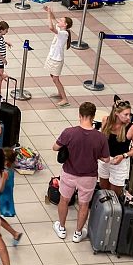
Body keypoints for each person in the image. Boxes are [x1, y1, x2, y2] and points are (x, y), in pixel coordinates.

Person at [52, 102, 110, 242]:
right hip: (89, 176)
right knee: (84, 204)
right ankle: (78, 233)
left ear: (79, 115)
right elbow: (106, 159)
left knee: (64, 200)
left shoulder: (69, 132)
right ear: (93, 116)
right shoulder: (101, 137)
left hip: (69, 173)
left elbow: (55, 147)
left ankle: (62, 228)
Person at [98, 99, 133, 194]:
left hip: (120, 162)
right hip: (105, 159)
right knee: (103, 188)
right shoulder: (106, 120)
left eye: (129, 114)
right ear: (116, 113)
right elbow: (102, 139)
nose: (128, 117)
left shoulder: (132, 128)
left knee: (115, 193)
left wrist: (124, 155)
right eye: (125, 114)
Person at [43, 6, 73, 107]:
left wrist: (48, 15)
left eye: (61, 21)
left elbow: (51, 27)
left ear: (65, 25)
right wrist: (49, 11)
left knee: (56, 79)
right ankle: (60, 93)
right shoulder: (61, 29)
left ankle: (65, 99)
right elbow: (54, 19)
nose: (59, 21)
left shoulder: (64, 33)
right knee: (52, 76)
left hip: (57, 59)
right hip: (52, 56)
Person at [0, 148, 23, 245]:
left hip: (2, 197)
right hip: (7, 195)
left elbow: (1, 188)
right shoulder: (10, 169)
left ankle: (15, 233)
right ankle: (14, 233)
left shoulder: (5, 173)